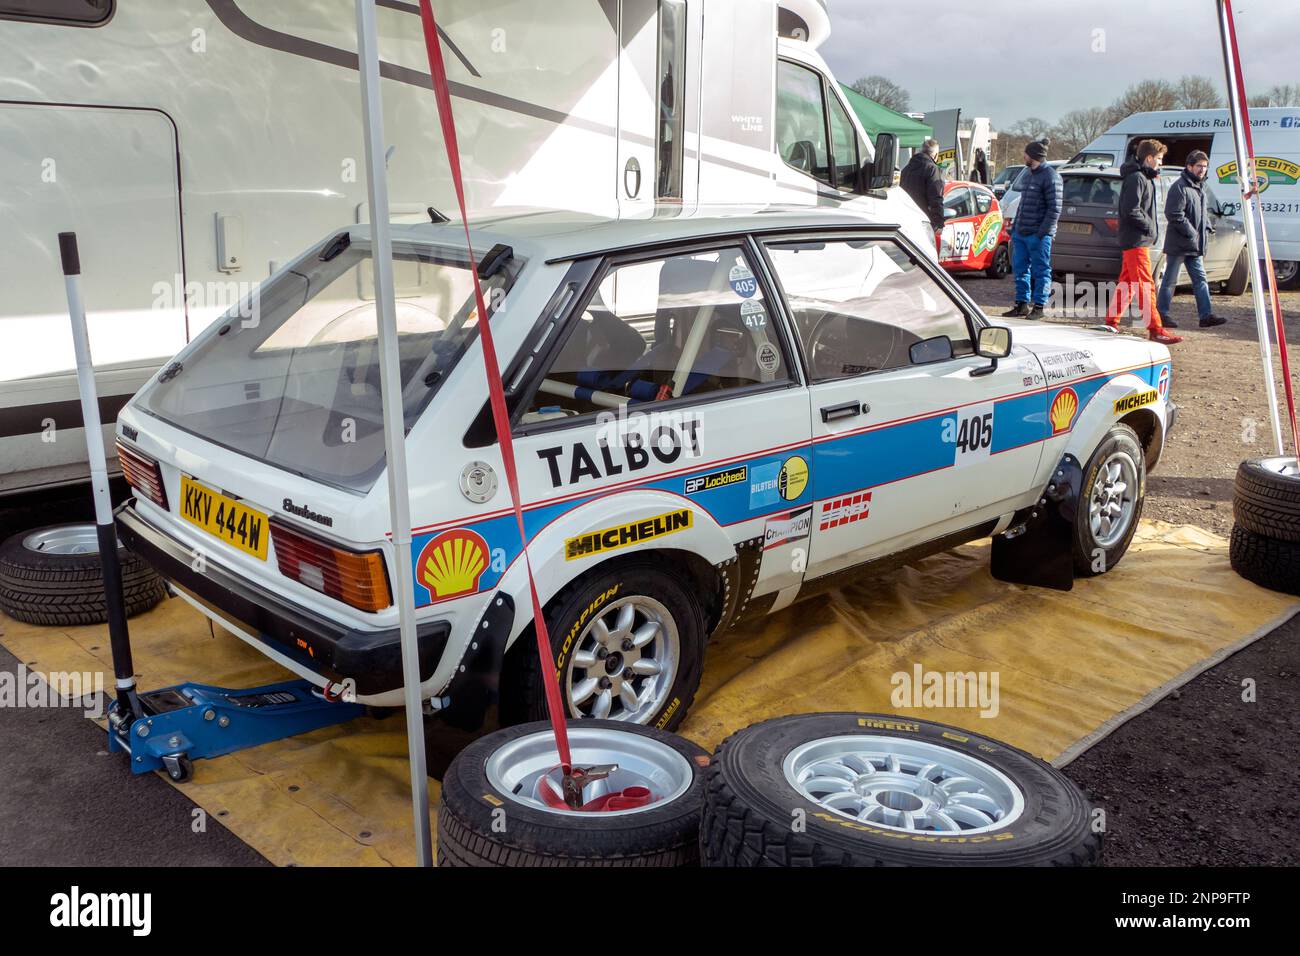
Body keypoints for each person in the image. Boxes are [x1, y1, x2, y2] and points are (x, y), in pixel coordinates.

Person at [1105, 139, 1182, 344]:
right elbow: (1131, 210)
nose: (1160, 163)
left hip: (1136, 239)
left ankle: (1111, 321)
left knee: (1128, 283)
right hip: (1136, 239)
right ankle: (1155, 328)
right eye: (1158, 159)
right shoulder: (1137, 178)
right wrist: (1149, 226)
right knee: (1145, 284)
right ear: (1148, 158)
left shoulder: (1142, 177)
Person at [1156, 150, 1227, 329]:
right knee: (1170, 281)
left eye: (1204, 167)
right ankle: (1161, 314)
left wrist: (1207, 227)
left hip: (1193, 245)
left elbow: (1200, 213)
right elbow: (1173, 213)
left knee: (1201, 280)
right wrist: (1191, 232)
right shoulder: (1180, 187)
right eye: (1199, 166)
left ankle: (1206, 315)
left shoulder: (1199, 187)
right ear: (1189, 166)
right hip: (1179, 244)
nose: (1202, 170)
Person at [1002, 140, 1062, 320]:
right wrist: (1015, 228)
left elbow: (1054, 209)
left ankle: (1039, 306)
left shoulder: (1051, 177)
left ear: (1034, 155)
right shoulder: (1028, 175)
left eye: (1026, 153)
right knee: (1020, 269)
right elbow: (1022, 205)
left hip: (1038, 235)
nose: (1024, 156)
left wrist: (1043, 233)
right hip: (1021, 232)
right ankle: (1021, 304)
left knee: (1041, 270)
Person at [901, 138, 945, 234]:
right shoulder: (932, 169)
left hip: (905, 220)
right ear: (936, 155)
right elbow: (936, 197)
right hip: (923, 223)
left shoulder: (906, 169)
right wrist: (939, 223)